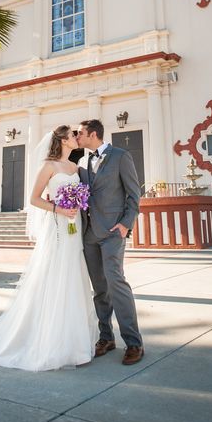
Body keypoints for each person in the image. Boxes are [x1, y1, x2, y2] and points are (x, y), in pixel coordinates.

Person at [0, 125, 97, 371]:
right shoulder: (49, 166)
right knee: (55, 273)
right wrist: (60, 209)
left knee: (74, 273)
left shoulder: (76, 168)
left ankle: (76, 342)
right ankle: (49, 339)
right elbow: (33, 199)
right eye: (73, 135)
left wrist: (77, 206)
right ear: (63, 140)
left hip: (74, 227)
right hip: (58, 227)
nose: (77, 137)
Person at [77, 119, 144, 365]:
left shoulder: (120, 156)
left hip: (113, 232)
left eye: (81, 133)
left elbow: (134, 194)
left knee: (116, 283)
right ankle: (106, 337)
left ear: (93, 134)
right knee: (100, 289)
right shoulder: (82, 162)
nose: (77, 136)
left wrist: (126, 224)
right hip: (89, 235)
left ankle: (134, 342)